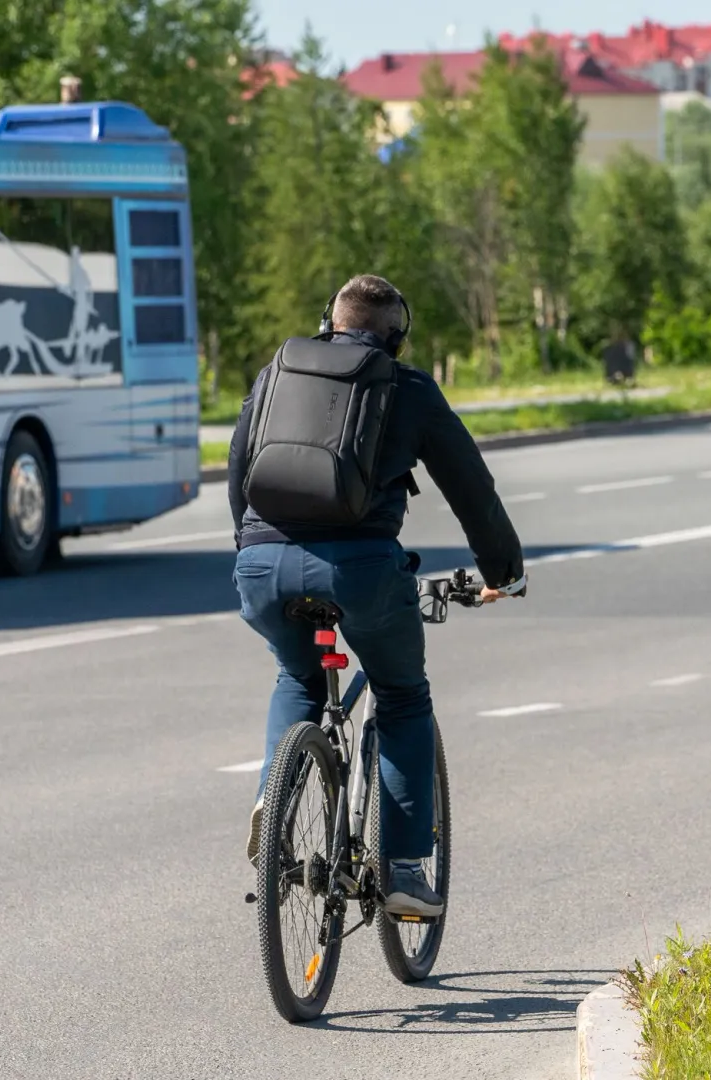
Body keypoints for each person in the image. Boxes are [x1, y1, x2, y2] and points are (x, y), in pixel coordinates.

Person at [228, 274, 524, 918]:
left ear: (328, 320)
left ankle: (272, 799)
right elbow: (469, 486)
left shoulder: (276, 371)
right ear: (396, 338)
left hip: (260, 566)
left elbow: (238, 466)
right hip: (359, 570)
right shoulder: (406, 386)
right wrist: (504, 569)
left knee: (296, 676)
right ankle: (403, 868)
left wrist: (251, 551)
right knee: (401, 695)